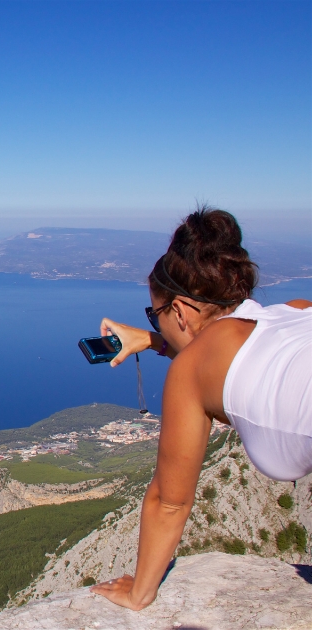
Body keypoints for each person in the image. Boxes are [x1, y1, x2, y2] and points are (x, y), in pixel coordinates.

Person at [88, 207, 312, 611]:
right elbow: (222, 358)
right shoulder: (297, 310)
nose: (156, 325)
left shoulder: (191, 372)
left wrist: (140, 591)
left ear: (179, 312)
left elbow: (169, 502)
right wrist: (153, 341)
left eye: (155, 315)